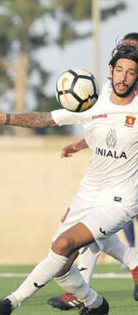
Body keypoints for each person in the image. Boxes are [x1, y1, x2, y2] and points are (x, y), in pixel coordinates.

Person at [0, 42, 138, 315]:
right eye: (119, 70)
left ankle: (10, 302)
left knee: (63, 245)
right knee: (60, 265)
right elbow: (46, 119)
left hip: (120, 201)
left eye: (131, 72)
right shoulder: (94, 101)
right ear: (110, 71)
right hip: (88, 193)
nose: (123, 77)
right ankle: (95, 304)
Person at [47, 32, 138, 311]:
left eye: (132, 50)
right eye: (124, 49)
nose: (127, 54)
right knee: (95, 227)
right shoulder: (117, 93)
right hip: (119, 171)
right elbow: (108, 129)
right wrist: (79, 143)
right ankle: (87, 285)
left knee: (98, 226)